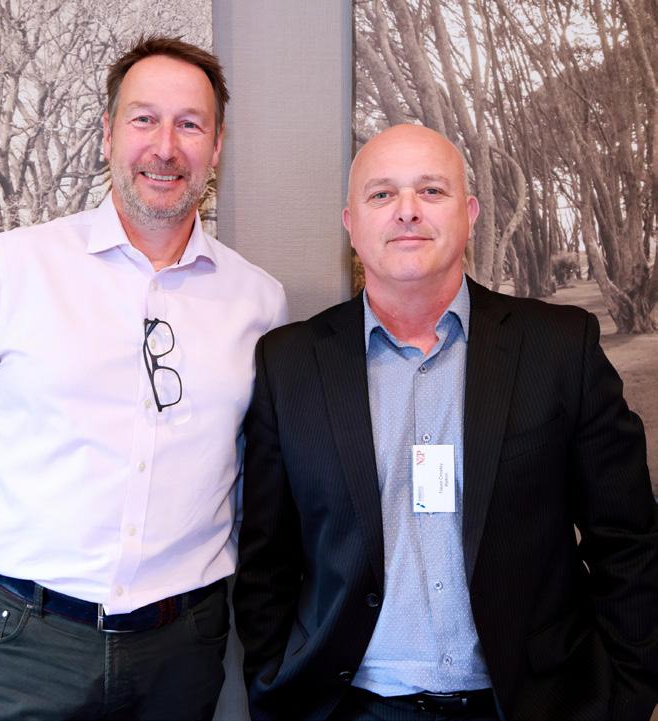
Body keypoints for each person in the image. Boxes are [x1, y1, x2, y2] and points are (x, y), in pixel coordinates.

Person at [233, 124, 658, 721]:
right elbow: (267, 563)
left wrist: (626, 696)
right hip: (352, 708)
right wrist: (277, 687)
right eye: (382, 194)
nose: (407, 210)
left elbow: (629, 540)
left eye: (431, 191)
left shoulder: (561, 348)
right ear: (351, 223)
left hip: (530, 704)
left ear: (470, 214)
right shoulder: (290, 364)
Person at [0, 36, 287, 721]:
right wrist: (7, 587)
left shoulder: (259, 302)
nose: (165, 147)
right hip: (27, 645)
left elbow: (257, 476)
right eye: (144, 119)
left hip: (182, 649)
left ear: (216, 147)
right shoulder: (12, 267)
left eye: (189, 124)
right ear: (108, 133)